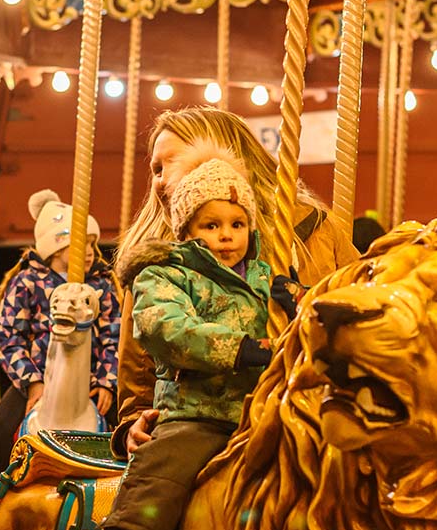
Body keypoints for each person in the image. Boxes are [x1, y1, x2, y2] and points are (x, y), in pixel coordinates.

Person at [113, 106, 359, 459]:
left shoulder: (315, 231)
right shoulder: (160, 261)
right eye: (155, 169)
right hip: (200, 422)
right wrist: (135, 422)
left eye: (173, 164)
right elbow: (140, 367)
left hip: (307, 416)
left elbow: (355, 311)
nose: (161, 181)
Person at [88, 156, 272, 530]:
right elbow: (165, 328)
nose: (226, 235)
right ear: (186, 230)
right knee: (170, 460)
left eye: (237, 223)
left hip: (262, 409)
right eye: (210, 225)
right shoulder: (166, 273)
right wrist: (244, 348)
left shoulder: (267, 279)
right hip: (200, 409)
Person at [0, 190, 120, 471]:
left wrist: (107, 380)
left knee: (127, 424)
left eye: (91, 243)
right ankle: (1, 487)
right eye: (77, 243)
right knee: (0, 425)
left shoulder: (102, 285)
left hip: (92, 380)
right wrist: (31, 380)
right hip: (38, 378)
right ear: (54, 248)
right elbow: (7, 334)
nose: (86, 251)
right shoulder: (27, 283)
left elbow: (114, 335)